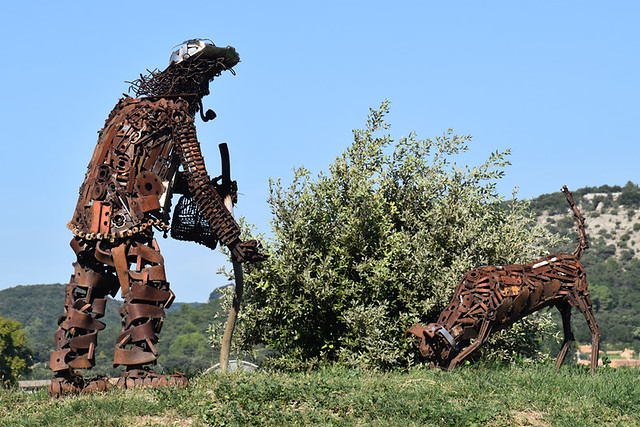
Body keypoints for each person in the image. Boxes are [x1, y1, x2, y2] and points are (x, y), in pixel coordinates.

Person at [49, 39, 266, 397]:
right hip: (126, 216)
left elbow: (146, 173)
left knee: (88, 285)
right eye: (206, 76)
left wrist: (196, 188)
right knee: (148, 281)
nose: (207, 86)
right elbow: (194, 177)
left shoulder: (125, 109)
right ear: (190, 76)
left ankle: (65, 377)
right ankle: (137, 372)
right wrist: (232, 237)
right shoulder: (175, 114)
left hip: (89, 216)